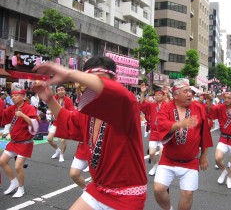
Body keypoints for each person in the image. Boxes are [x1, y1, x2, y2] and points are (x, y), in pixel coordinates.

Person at [31, 56, 147, 210]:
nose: (91, 86)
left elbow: (120, 94)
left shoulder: (126, 106)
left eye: (98, 81)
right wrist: (49, 100)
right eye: (87, 82)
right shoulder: (87, 112)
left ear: (115, 80)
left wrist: (70, 73)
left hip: (127, 193)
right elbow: (68, 121)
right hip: (98, 188)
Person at [154, 78, 213, 210]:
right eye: (185, 91)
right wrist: (180, 124)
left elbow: (205, 133)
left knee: (187, 194)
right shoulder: (166, 107)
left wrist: (204, 154)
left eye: (190, 91)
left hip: (190, 160)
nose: (190, 94)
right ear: (175, 95)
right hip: (168, 159)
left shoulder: (198, 108)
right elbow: (162, 124)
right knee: (158, 189)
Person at [0, 82, 39, 198]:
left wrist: (23, 116)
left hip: (25, 143)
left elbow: (35, 124)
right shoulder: (12, 108)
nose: (13, 97)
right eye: (12, 95)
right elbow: (2, 116)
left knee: (17, 166)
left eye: (16, 95)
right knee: (2, 161)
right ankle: (13, 182)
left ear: (23, 96)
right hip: (14, 142)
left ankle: (21, 188)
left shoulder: (29, 108)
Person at [139, 83, 166, 176]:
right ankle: (156, 165)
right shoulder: (151, 105)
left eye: (159, 95)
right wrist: (142, 93)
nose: (157, 96)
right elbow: (142, 104)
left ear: (163, 95)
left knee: (162, 154)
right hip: (154, 133)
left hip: (164, 134)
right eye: (156, 95)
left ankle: (160, 167)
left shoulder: (168, 105)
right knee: (151, 153)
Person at [47, 84, 75, 162]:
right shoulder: (55, 98)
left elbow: (71, 111)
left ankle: (62, 155)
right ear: (56, 92)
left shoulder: (68, 100)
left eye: (62, 89)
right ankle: (57, 150)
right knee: (49, 139)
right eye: (59, 90)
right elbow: (50, 107)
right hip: (56, 121)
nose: (60, 91)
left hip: (64, 122)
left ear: (65, 91)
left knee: (63, 140)